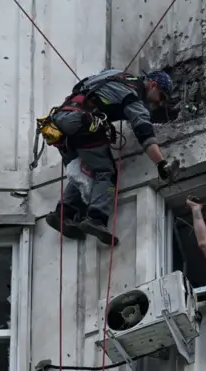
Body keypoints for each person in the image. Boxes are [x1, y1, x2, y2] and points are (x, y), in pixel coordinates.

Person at [42, 69, 179, 246]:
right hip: (81, 122)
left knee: (88, 168)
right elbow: (144, 134)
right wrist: (161, 163)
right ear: (153, 84)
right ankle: (96, 219)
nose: (159, 103)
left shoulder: (117, 75)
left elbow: (81, 84)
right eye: (161, 96)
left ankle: (64, 213)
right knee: (106, 172)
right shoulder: (133, 96)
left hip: (60, 120)